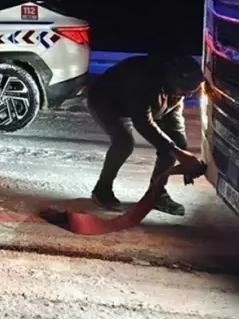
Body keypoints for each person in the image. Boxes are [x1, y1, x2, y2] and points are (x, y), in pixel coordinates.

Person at [86, 53, 205, 216]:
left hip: (146, 102)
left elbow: (174, 120)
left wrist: (182, 154)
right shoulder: (143, 80)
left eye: (192, 91)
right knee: (123, 142)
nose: (188, 95)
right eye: (185, 91)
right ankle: (102, 190)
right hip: (106, 100)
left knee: (173, 144)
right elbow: (142, 122)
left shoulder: (174, 86)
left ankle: (156, 194)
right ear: (173, 81)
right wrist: (177, 152)